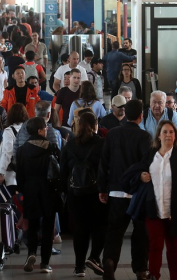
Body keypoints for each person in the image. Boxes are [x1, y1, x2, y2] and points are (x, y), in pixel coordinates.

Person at [98, 100, 151, 280]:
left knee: (115, 230)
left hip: (115, 191)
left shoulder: (112, 134)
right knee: (140, 232)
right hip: (137, 192)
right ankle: (141, 269)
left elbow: (104, 163)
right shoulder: (144, 137)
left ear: (125, 114)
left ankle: (110, 261)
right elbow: (147, 164)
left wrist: (102, 188)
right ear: (141, 116)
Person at [60, 112, 108, 277]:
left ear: (78, 125)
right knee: (99, 227)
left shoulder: (70, 145)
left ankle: (79, 266)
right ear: (96, 125)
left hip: (76, 194)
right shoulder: (102, 144)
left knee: (80, 230)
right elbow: (107, 168)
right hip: (97, 193)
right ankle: (94, 257)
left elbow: (63, 170)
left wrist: (67, 191)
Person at [16, 117, 61, 274]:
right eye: (45, 128)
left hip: (30, 189)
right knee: (48, 228)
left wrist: (24, 189)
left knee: (33, 226)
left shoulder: (22, 150)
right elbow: (58, 170)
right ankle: (45, 264)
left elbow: (19, 175)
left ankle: (31, 254)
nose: (47, 130)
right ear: (40, 131)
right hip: (49, 190)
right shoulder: (52, 147)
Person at [138, 120, 177, 280]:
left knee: (174, 249)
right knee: (155, 246)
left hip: (173, 211)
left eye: (171, 132)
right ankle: (154, 275)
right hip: (153, 209)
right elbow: (139, 169)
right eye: (165, 132)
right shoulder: (151, 154)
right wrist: (141, 175)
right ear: (159, 136)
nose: (168, 135)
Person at [0, 103, 29, 187]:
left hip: (12, 172)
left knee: (14, 197)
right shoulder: (29, 129)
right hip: (27, 170)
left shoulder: (9, 131)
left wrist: (1, 172)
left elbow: (7, 152)